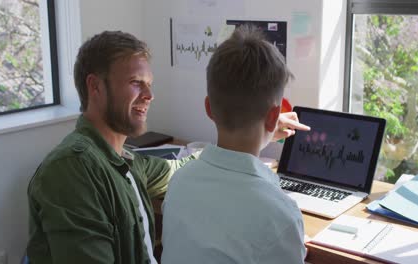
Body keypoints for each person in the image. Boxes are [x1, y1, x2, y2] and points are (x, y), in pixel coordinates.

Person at [26, 30, 308, 264]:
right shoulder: (72, 169)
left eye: (149, 84)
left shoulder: (123, 160)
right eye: (136, 83)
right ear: (95, 87)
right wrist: (258, 125)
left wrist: (256, 128)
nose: (149, 95)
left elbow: (177, 167)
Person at [161, 25, 308, 264]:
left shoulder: (180, 182)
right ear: (274, 116)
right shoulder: (281, 216)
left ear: (208, 108)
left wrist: (268, 129)